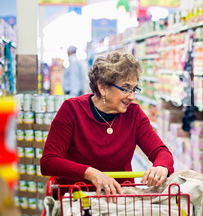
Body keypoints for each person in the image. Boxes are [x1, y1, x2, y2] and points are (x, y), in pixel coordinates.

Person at [41, 51, 174, 197]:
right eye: (125, 88)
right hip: (78, 199)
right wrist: (91, 173)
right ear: (103, 87)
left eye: (134, 89)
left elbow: (161, 151)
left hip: (119, 200)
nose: (132, 97)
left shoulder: (133, 114)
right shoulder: (72, 110)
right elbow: (49, 161)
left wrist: (161, 167)